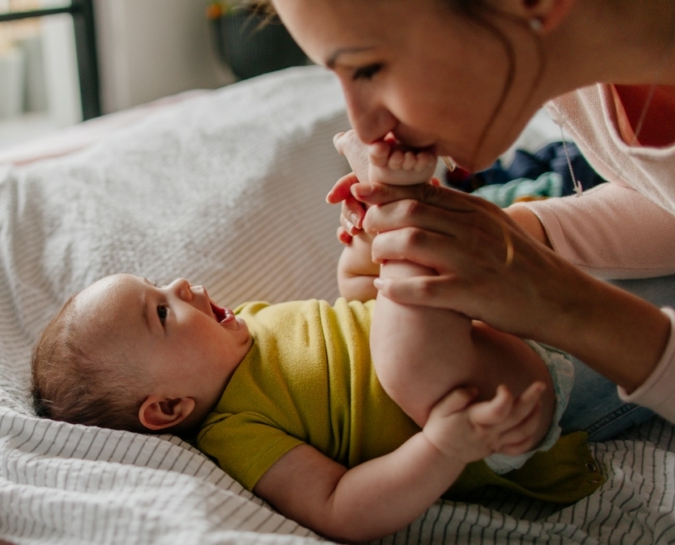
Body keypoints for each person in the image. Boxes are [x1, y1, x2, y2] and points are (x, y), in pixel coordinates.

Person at [30, 144, 603, 542]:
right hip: (487, 407)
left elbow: (352, 311)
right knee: (405, 357)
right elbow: (341, 508)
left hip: (501, 326)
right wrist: (443, 448)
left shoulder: (250, 323)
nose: (178, 285)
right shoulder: (237, 432)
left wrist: (360, 250)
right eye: (161, 310)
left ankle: (402, 228)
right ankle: (409, 207)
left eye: (159, 283)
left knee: (380, 285)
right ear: (169, 408)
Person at [266, 0, 675, 430]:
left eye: (368, 69)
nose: (365, 127)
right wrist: (513, 237)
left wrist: (564, 304)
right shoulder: (576, 66)